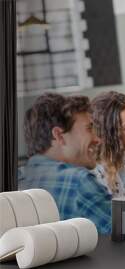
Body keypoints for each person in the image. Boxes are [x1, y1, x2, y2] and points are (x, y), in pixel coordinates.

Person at [18, 93, 112, 234]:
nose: (98, 139)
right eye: (89, 128)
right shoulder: (79, 183)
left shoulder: (18, 179)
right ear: (59, 136)